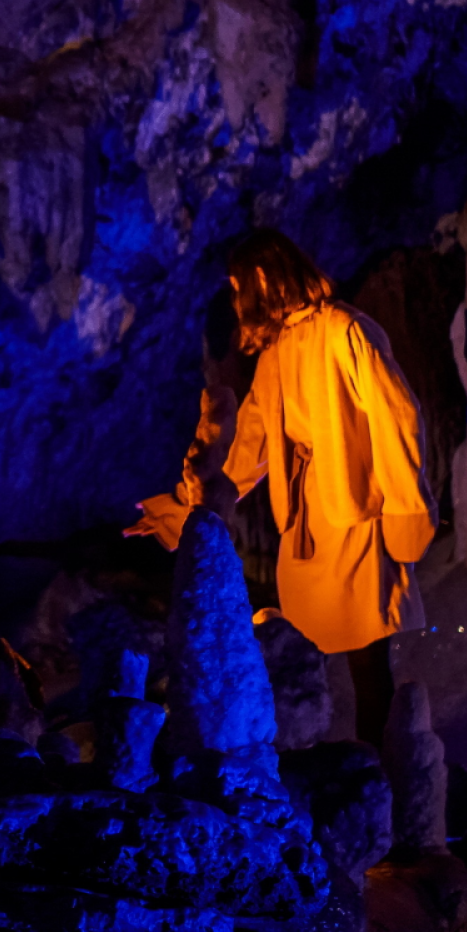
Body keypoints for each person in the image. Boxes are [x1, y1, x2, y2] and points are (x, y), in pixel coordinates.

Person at [130, 230, 435, 743]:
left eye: (239, 285)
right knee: (299, 665)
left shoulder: (345, 331)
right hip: (306, 534)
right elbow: (247, 447)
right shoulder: (276, 355)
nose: (236, 299)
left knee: (368, 667)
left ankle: (388, 785)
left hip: (356, 523)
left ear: (265, 279)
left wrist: (407, 506)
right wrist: (185, 507)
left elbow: (398, 418)